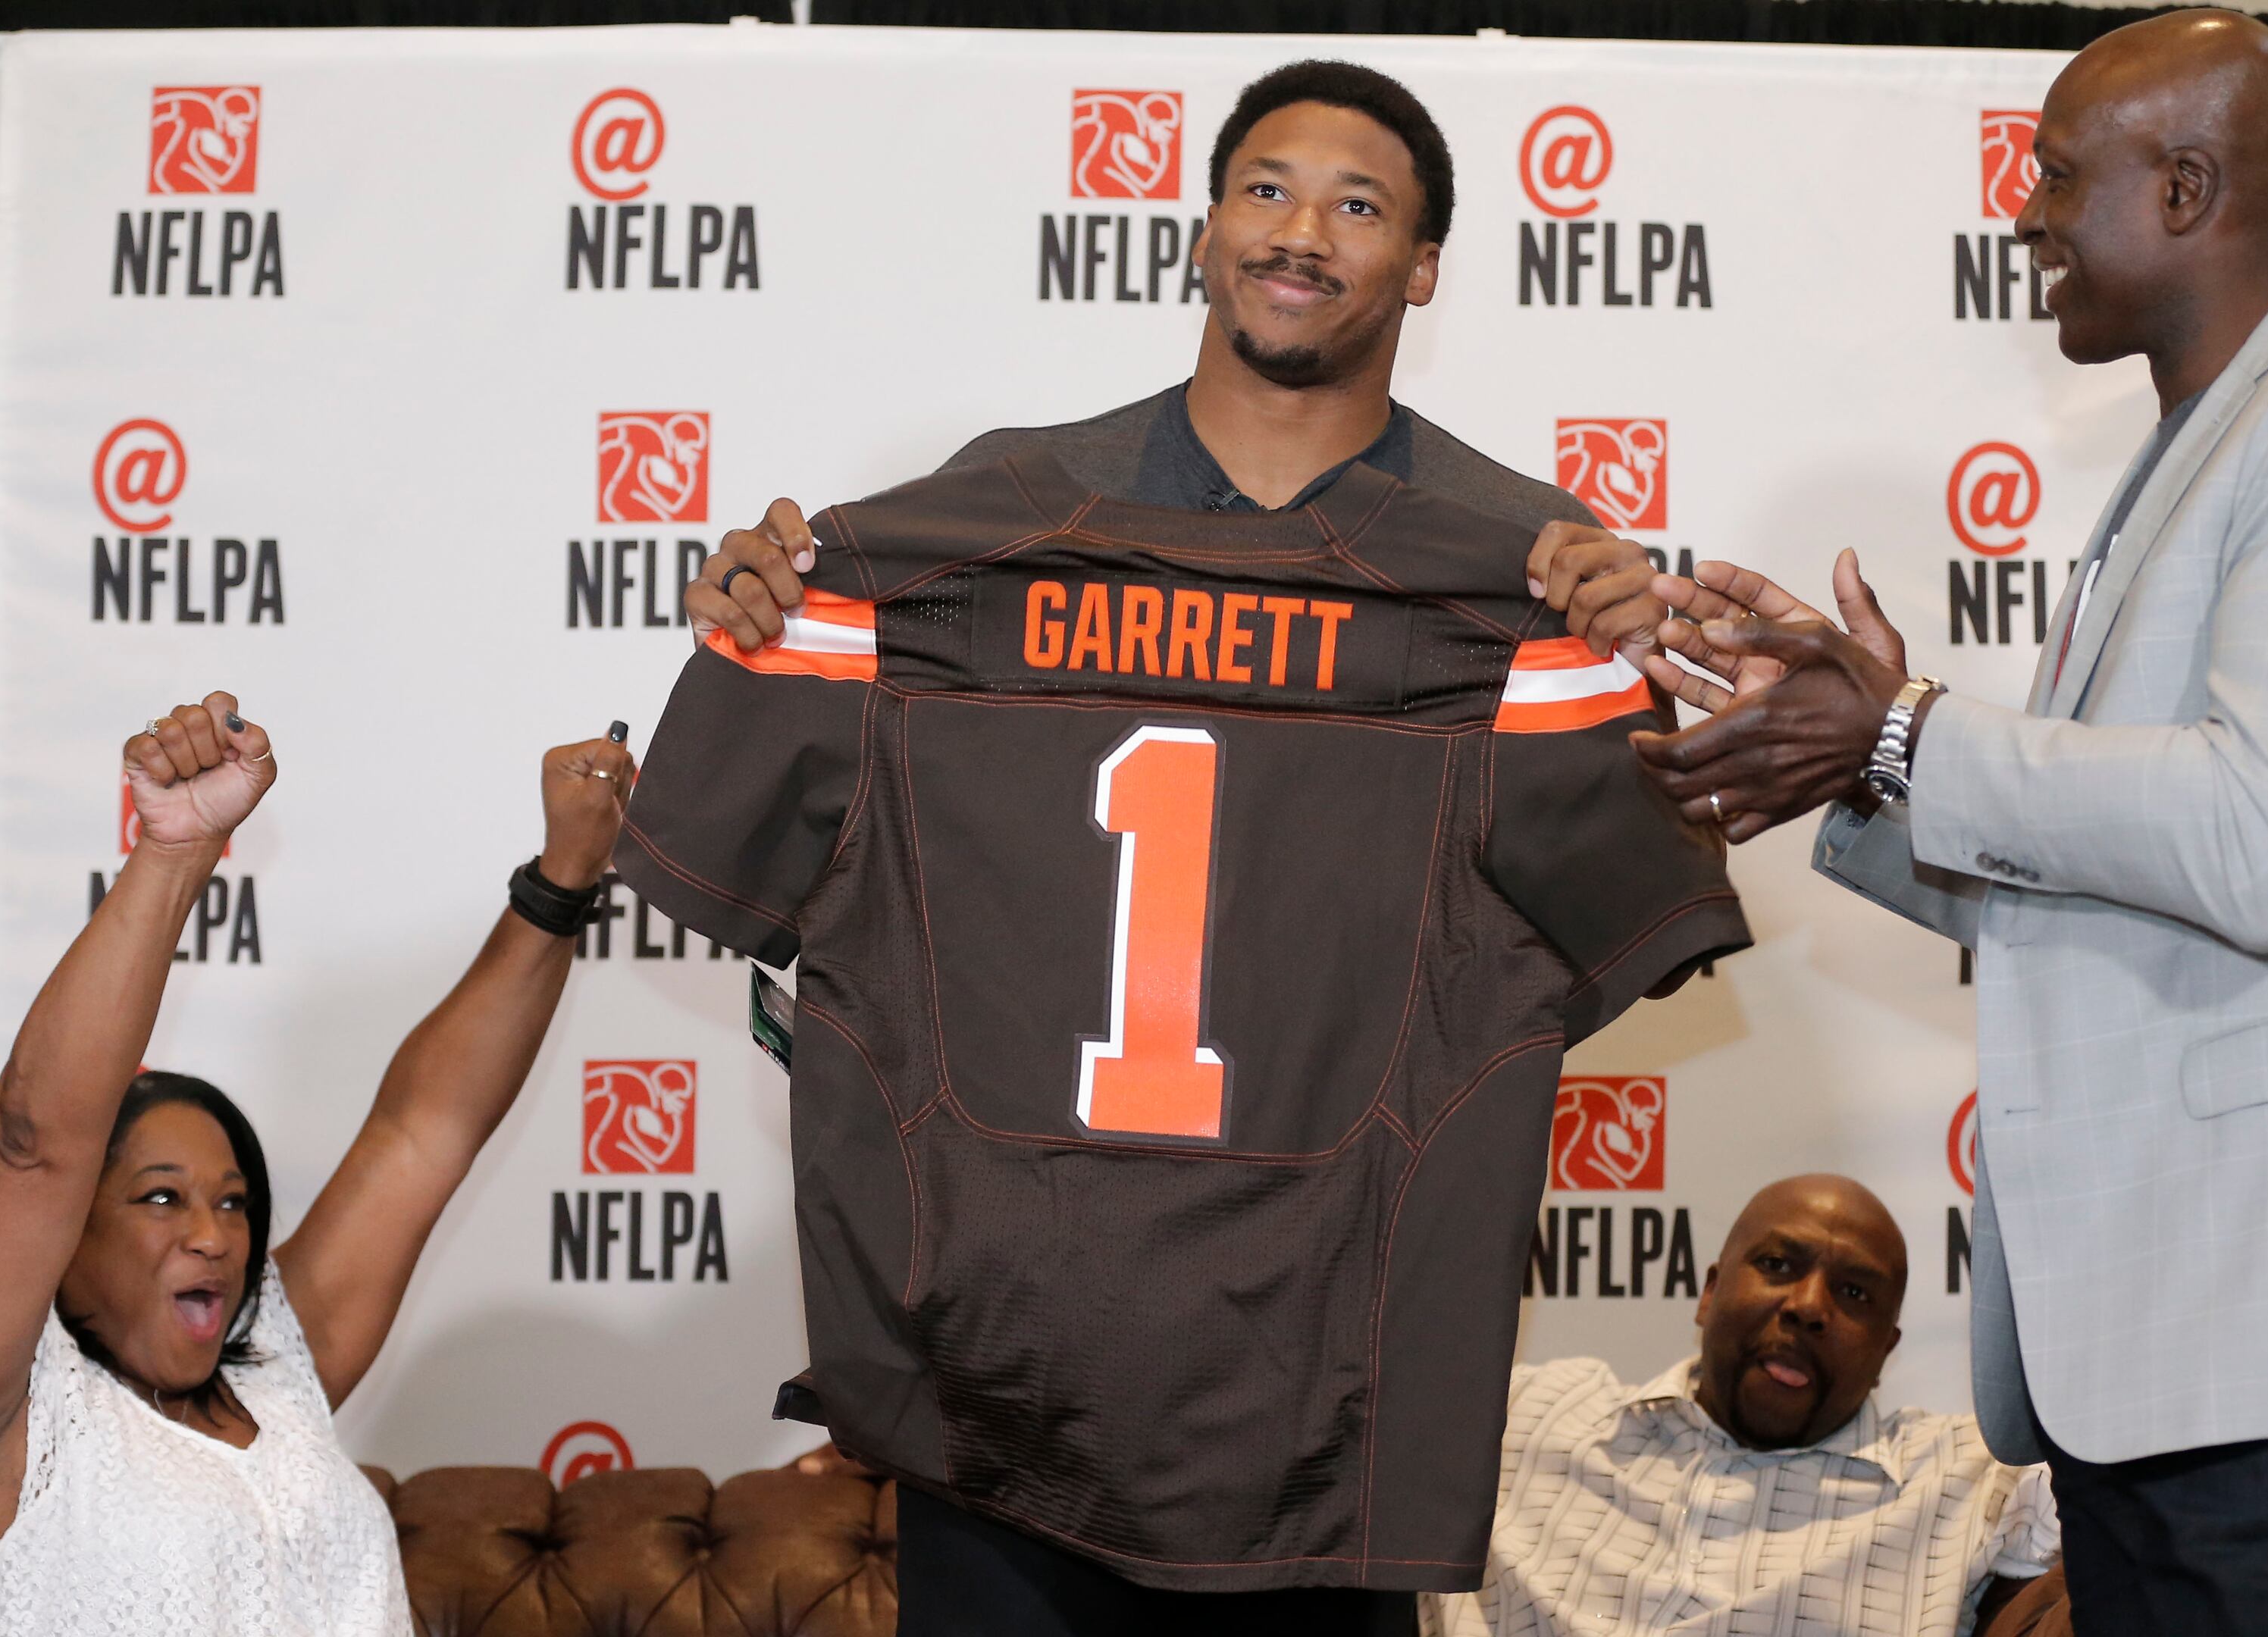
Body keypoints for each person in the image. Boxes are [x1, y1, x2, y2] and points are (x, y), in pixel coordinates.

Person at [668, 59, 1706, 1637]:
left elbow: (1607, 938)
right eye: (1268, 190)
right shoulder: (956, 540)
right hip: (1001, 1389)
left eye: (1360, 206)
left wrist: (1657, 687)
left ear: (1423, 270)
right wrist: (780, 604)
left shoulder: (1531, 590)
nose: (1303, 232)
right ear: (1205, 230)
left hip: (1322, 1418)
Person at [1612, 13, 2268, 1633]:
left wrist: (1912, 733)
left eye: (2059, 177)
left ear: (2188, 187)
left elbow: (2263, 841)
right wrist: (1864, 758)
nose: (2026, 217)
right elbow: (2119, 877)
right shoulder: (2215, 444)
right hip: (2193, 1376)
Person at [0, 693, 633, 1635]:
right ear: (68, 1233)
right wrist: (176, 852)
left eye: (233, 1205)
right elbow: (36, 1146)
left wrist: (563, 881)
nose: (214, 1235)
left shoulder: (272, 1367)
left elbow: (424, 1130)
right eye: (162, 1198)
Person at [1427, 1175, 2054, 1637]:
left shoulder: (1968, 1477)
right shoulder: (1527, 1413)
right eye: (1778, 1264)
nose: (1809, 1306)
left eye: (1854, 1292)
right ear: (1708, 1294)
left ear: (1886, 1348)